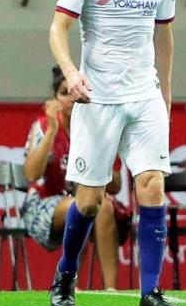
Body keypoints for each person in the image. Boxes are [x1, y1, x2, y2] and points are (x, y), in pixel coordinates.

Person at [48, 0, 177, 306]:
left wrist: (166, 95)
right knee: (89, 201)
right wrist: (71, 74)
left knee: (153, 185)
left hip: (144, 94)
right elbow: (58, 28)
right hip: (98, 98)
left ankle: (151, 292)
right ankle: (66, 273)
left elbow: (163, 33)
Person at [23, 66, 123, 290]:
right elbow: (31, 174)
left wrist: (99, 152)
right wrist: (51, 130)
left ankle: (112, 290)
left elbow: (116, 185)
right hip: (45, 204)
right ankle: (71, 284)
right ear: (55, 99)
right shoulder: (42, 125)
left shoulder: (97, 127)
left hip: (87, 200)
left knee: (102, 206)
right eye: (63, 93)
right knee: (81, 206)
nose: (70, 98)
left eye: (74, 92)